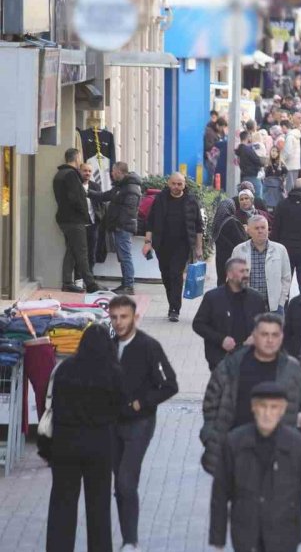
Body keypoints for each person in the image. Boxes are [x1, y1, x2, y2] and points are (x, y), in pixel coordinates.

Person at [209, 381, 301, 552]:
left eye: (274, 407)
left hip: (284, 532)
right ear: (253, 408)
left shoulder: (298, 445)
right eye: (262, 406)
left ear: (282, 410)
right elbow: (220, 492)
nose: (267, 414)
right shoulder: (235, 443)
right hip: (246, 532)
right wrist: (217, 539)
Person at [199, 313, 301, 475]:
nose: (269, 340)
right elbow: (211, 403)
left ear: (282, 337)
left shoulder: (293, 370)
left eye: (275, 335)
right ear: (254, 336)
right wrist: (210, 437)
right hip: (237, 451)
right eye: (264, 334)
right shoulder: (231, 365)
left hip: (279, 455)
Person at [45, 325, 124, 552]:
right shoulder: (113, 373)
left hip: (65, 445)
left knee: (62, 503)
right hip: (99, 446)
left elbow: (54, 404)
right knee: (99, 507)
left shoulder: (65, 369)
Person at [109, 295, 178, 551]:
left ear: (135, 317)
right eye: (114, 317)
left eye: (123, 317)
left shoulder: (149, 346)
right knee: (120, 484)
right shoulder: (108, 346)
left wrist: (142, 403)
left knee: (126, 481)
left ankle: (130, 541)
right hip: (112, 422)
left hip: (140, 423)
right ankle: (128, 534)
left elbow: (169, 385)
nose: (118, 322)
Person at [143, 172, 204, 322]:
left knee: (176, 275)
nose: (176, 187)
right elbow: (150, 222)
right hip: (162, 244)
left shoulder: (191, 200)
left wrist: (199, 247)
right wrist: (147, 242)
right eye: (174, 183)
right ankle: (172, 303)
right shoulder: (160, 199)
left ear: (184, 185)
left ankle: (175, 309)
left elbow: (198, 226)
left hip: (182, 245)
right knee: (166, 276)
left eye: (180, 184)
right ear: (169, 183)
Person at [193, 257, 267, 371]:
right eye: (242, 271)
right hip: (220, 358)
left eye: (247, 271)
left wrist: (256, 337)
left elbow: (266, 325)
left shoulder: (256, 298)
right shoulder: (213, 297)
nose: (246, 275)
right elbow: (198, 324)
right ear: (230, 274)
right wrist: (221, 339)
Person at [89, 161, 142, 295]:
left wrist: (118, 224)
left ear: (119, 171)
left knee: (125, 256)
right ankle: (125, 284)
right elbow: (105, 196)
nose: (112, 174)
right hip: (120, 226)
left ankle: (128, 285)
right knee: (123, 256)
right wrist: (88, 192)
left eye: (113, 171)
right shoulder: (122, 187)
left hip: (123, 227)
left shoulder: (130, 188)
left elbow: (129, 211)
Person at [53, 148, 100, 293]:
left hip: (63, 218)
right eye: (80, 157)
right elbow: (76, 198)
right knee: (81, 251)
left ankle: (67, 282)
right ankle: (91, 285)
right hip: (74, 220)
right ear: (77, 158)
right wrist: (83, 213)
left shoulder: (59, 174)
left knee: (72, 250)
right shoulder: (71, 175)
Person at [231, 215, 292, 313]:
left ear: (268, 230)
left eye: (263, 227)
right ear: (249, 231)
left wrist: (281, 302)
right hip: (246, 306)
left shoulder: (280, 250)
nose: (260, 231)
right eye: (256, 228)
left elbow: (286, 278)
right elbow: (233, 278)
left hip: (274, 307)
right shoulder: (239, 250)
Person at [213, 191, 254, 285]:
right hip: (233, 257)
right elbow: (242, 239)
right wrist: (246, 231)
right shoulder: (232, 221)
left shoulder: (218, 222)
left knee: (221, 281)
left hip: (220, 257)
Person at [237, 129, 265, 197]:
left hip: (244, 176)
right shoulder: (248, 150)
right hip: (252, 176)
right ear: (248, 137)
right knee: (258, 196)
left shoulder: (239, 149)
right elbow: (258, 161)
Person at [263, 146, 288, 210]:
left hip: (277, 188)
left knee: (277, 206)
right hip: (268, 188)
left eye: (276, 151)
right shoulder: (267, 163)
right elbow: (264, 175)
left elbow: (285, 173)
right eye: (272, 151)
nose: (274, 153)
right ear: (270, 152)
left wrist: (282, 180)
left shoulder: (281, 164)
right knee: (268, 206)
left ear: (278, 153)